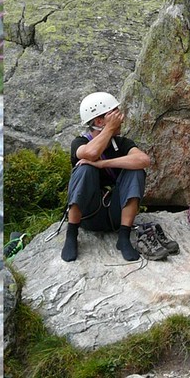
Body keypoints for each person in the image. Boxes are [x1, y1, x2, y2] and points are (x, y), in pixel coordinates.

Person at [63, 92, 152, 262]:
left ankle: (124, 238)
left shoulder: (121, 143)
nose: (121, 118)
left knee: (136, 170)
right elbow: (90, 153)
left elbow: (144, 160)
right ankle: (71, 235)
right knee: (85, 169)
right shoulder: (79, 142)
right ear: (99, 121)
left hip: (115, 213)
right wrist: (109, 128)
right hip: (89, 215)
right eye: (115, 114)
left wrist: (103, 164)